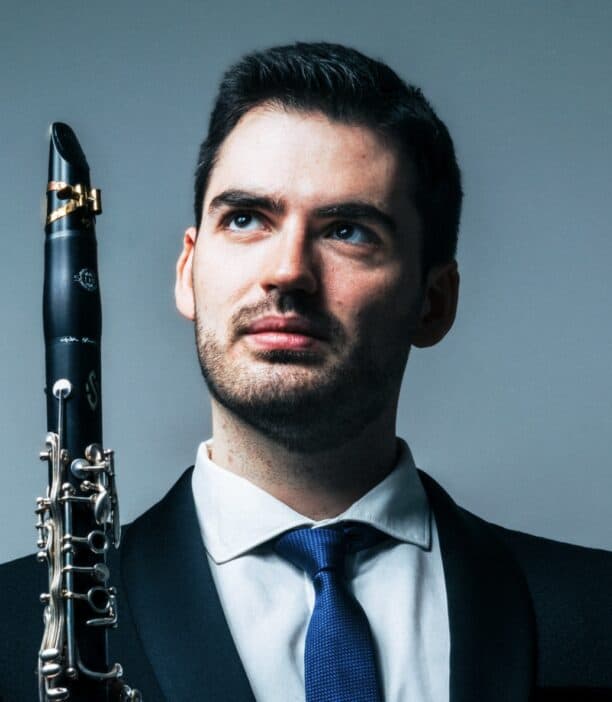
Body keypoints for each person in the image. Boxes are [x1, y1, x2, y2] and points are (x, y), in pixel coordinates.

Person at [1, 41, 611, 702]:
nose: (288, 271)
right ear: (188, 271)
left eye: (348, 231)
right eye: (245, 219)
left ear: (434, 301)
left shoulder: (596, 611)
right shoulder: (9, 628)